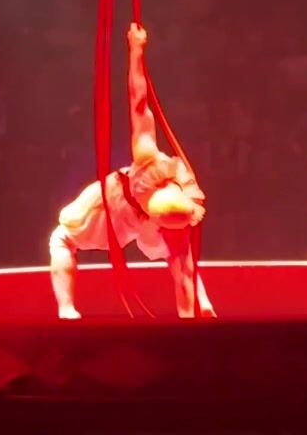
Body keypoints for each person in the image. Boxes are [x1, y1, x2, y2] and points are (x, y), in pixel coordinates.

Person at [49, 23, 215, 319]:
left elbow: (139, 101)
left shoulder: (151, 165)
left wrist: (136, 50)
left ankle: (66, 309)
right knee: (180, 262)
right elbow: (138, 100)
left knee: (62, 239)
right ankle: (201, 303)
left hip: (121, 206)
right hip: (126, 207)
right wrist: (136, 51)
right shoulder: (169, 179)